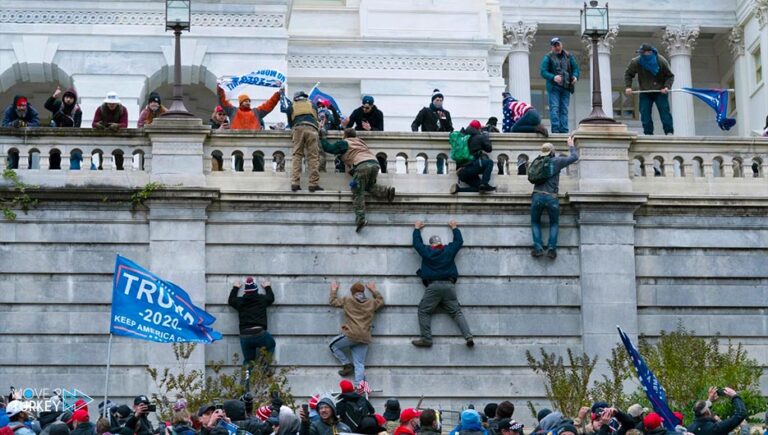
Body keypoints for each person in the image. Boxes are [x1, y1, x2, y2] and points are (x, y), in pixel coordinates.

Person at [411, 219, 473, 347]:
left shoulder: (427, 251)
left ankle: (427, 339)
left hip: (433, 286)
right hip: (449, 286)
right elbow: (459, 242)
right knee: (456, 312)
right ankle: (468, 337)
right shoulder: (448, 250)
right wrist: (454, 227)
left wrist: (416, 229)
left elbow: (417, 244)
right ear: (440, 243)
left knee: (423, 311)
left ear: (431, 244)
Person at [320, 128, 395, 231]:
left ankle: (361, 219)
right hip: (375, 164)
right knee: (368, 186)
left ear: (345, 135)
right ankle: (387, 192)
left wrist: (323, 137)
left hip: (362, 166)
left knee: (357, 191)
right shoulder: (360, 142)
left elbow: (329, 148)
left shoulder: (345, 143)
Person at [530, 137, 579, 259]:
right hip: (551, 197)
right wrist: (571, 145)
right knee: (554, 223)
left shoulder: (537, 162)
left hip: (537, 195)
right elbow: (574, 157)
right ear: (552, 152)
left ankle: (538, 248)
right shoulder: (557, 161)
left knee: (535, 222)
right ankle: (551, 249)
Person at [329, 280, 384, 383]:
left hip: (352, 335)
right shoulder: (371, 302)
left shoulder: (348, 300)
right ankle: (359, 389)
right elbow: (381, 301)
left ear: (352, 292)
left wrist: (333, 290)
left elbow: (333, 301)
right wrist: (373, 290)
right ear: (363, 291)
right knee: (359, 364)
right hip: (365, 337)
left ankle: (347, 364)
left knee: (332, 345)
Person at [228, 277, 276, 386]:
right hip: (259, 333)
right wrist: (268, 287)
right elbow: (271, 298)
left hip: (245, 335)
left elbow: (231, 300)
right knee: (271, 344)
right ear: (256, 290)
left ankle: (244, 387)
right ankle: (264, 367)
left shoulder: (240, 301)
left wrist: (235, 288)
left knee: (248, 361)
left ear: (245, 291)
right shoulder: (261, 299)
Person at [624, 43, 675, 136]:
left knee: (664, 112)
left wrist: (667, 87)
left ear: (650, 52)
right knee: (644, 113)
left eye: (643, 53)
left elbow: (670, 76)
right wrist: (628, 86)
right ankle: (648, 133)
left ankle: (669, 132)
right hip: (645, 91)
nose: (642, 55)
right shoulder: (636, 61)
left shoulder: (661, 61)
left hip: (660, 91)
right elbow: (628, 74)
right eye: (641, 53)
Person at [283, 90, 323, 192]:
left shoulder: (291, 106)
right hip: (312, 129)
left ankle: (295, 183)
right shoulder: (312, 104)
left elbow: (290, 123)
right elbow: (316, 118)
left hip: (298, 128)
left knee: (297, 155)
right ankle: (313, 184)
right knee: (313, 157)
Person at [540, 37, 579, 133]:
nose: (557, 47)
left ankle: (564, 130)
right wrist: (553, 77)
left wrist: (575, 76)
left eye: (558, 45)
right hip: (554, 87)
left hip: (566, 86)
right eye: (555, 45)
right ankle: (556, 130)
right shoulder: (548, 57)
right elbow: (543, 72)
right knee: (555, 108)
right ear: (552, 47)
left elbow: (576, 69)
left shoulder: (569, 56)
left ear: (561, 45)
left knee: (564, 109)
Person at [450, 120, 495, 194]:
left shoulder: (462, 137)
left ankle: (458, 189)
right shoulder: (480, 137)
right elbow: (489, 149)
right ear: (478, 129)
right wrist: (485, 137)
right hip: (471, 167)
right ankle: (484, 183)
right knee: (489, 163)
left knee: (479, 188)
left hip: (461, 172)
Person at [216, 84, 280, 130]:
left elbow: (269, 105)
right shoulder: (233, 111)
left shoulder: (256, 112)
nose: (248, 102)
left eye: (249, 101)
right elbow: (223, 102)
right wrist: (220, 89)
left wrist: (278, 95)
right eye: (245, 101)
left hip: (253, 142)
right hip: (236, 141)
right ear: (241, 103)